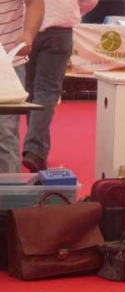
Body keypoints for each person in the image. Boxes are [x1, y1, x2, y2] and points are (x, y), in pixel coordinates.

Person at [21, 0, 99, 173]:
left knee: (30, 90)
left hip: (27, 27)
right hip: (59, 28)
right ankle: (35, 149)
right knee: (47, 90)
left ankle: (36, 148)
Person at [0, 0, 44, 174]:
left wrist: (28, 34)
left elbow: (35, 3)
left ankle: (10, 199)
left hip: (7, 62)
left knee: (5, 134)